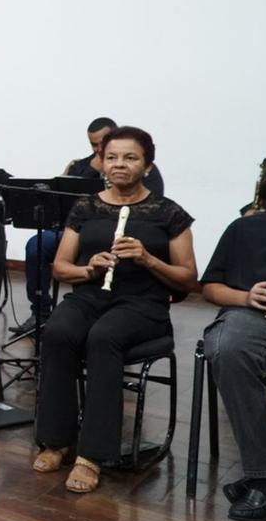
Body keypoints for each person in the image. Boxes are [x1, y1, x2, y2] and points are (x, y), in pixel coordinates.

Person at [33, 126, 197, 494]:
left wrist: (148, 258)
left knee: (103, 337)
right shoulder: (86, 207)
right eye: (111, 157)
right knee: (58, 331)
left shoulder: (169, 213)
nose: (119, 164)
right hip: (92, 296)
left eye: (130, 157)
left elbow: (188, 279)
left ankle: (93, 455)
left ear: (148, 165)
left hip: (144, 305)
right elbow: (60, 268)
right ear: (101, 162)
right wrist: (88, 269)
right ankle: (56, 440)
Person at [12, 117, 166, 334]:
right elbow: (62, 200)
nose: (98, 149)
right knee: (37, 244)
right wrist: (92, 169)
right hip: (77, 232)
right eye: (93, 144)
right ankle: (40, 313)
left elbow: (152, 206)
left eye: (102, 143)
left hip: (121, 235)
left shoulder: (140, 170)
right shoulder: (80, 165)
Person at [201, 147, 266, 521]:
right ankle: (265, 476)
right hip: (253, 316)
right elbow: (210, 289)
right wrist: (247, 296)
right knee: (228, 348)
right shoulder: (244, 227)